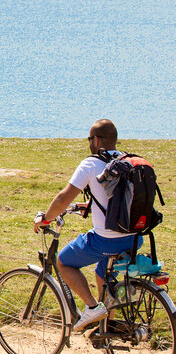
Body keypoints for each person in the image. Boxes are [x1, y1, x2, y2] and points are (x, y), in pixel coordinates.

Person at [35, 118, 141, 331]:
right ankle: (107, 326)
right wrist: (90, 205)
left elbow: (63, 198)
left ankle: (92, 307)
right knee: (102, 274)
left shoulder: (91, 163)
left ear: (97, 140)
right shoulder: (125, 160)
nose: (88, 142)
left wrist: (45, 218)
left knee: (64, 262)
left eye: (89, 138)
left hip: (106, 240)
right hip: (133, 238)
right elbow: (118, 198)